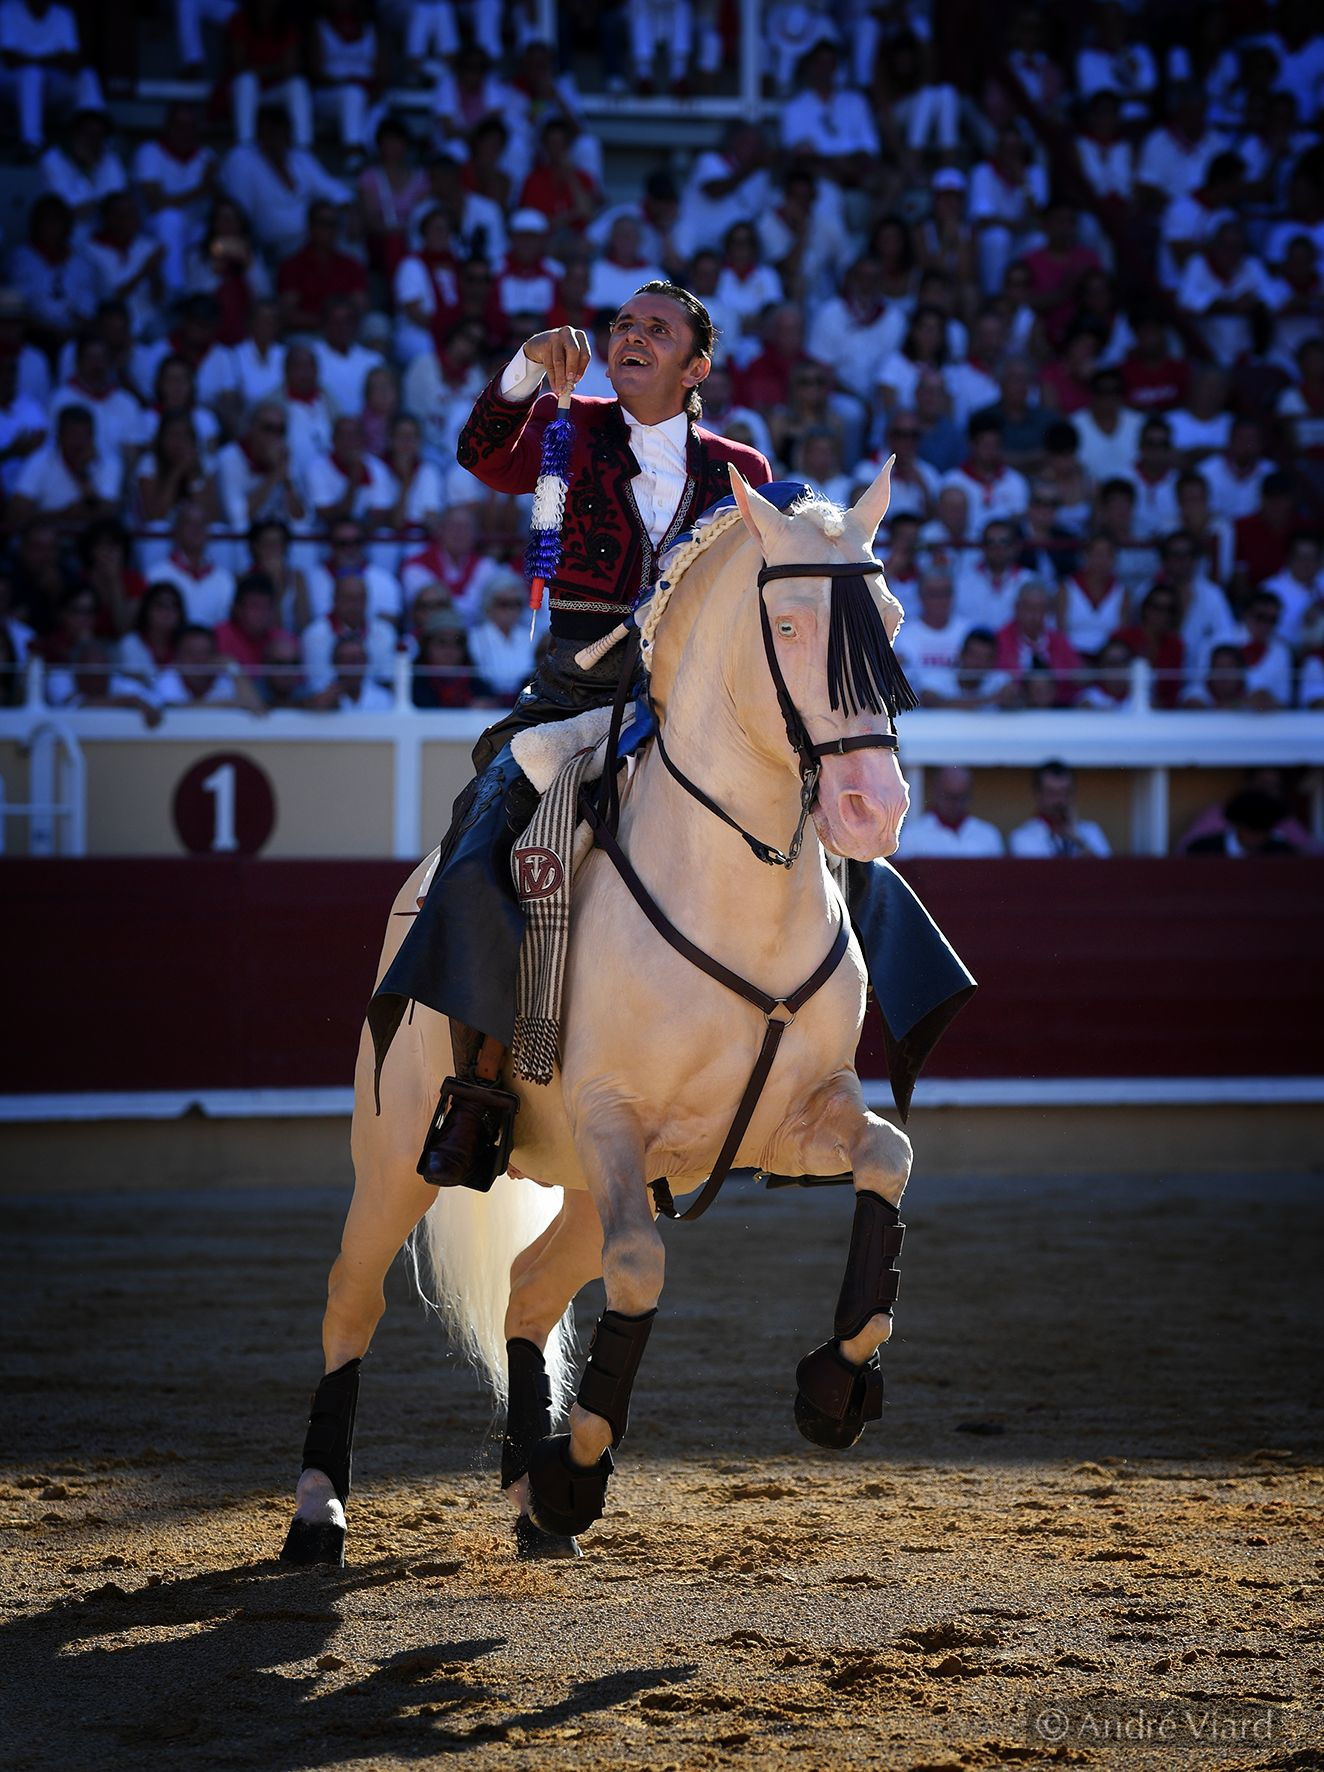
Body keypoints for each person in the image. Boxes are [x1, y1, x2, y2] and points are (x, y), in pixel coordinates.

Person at [370, 281, 773, 1189]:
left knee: (820, 815)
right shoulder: (573, 426)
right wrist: (524, 364)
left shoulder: (738, 467)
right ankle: (475, 1093)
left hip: (694, 712)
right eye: (624, 323)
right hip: (573, 698)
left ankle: (819, 1061)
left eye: (656, 331)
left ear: (694, 367)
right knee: (485, 840)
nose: (630, 336)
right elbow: (481, 453)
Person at [1009, 761, 1111, 857]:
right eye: (1052, 793)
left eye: (1065, 792)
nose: (1059, 800)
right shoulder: (1024, 836)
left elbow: (1106, 872)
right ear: (1037, 795)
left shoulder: (1091, 831)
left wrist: (1076, 838)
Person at [900, 765, 1004, 857]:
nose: (954, 803)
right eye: (949, 796)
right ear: (936, 792)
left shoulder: (988, 835)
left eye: (960, 797)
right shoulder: (913, 835)